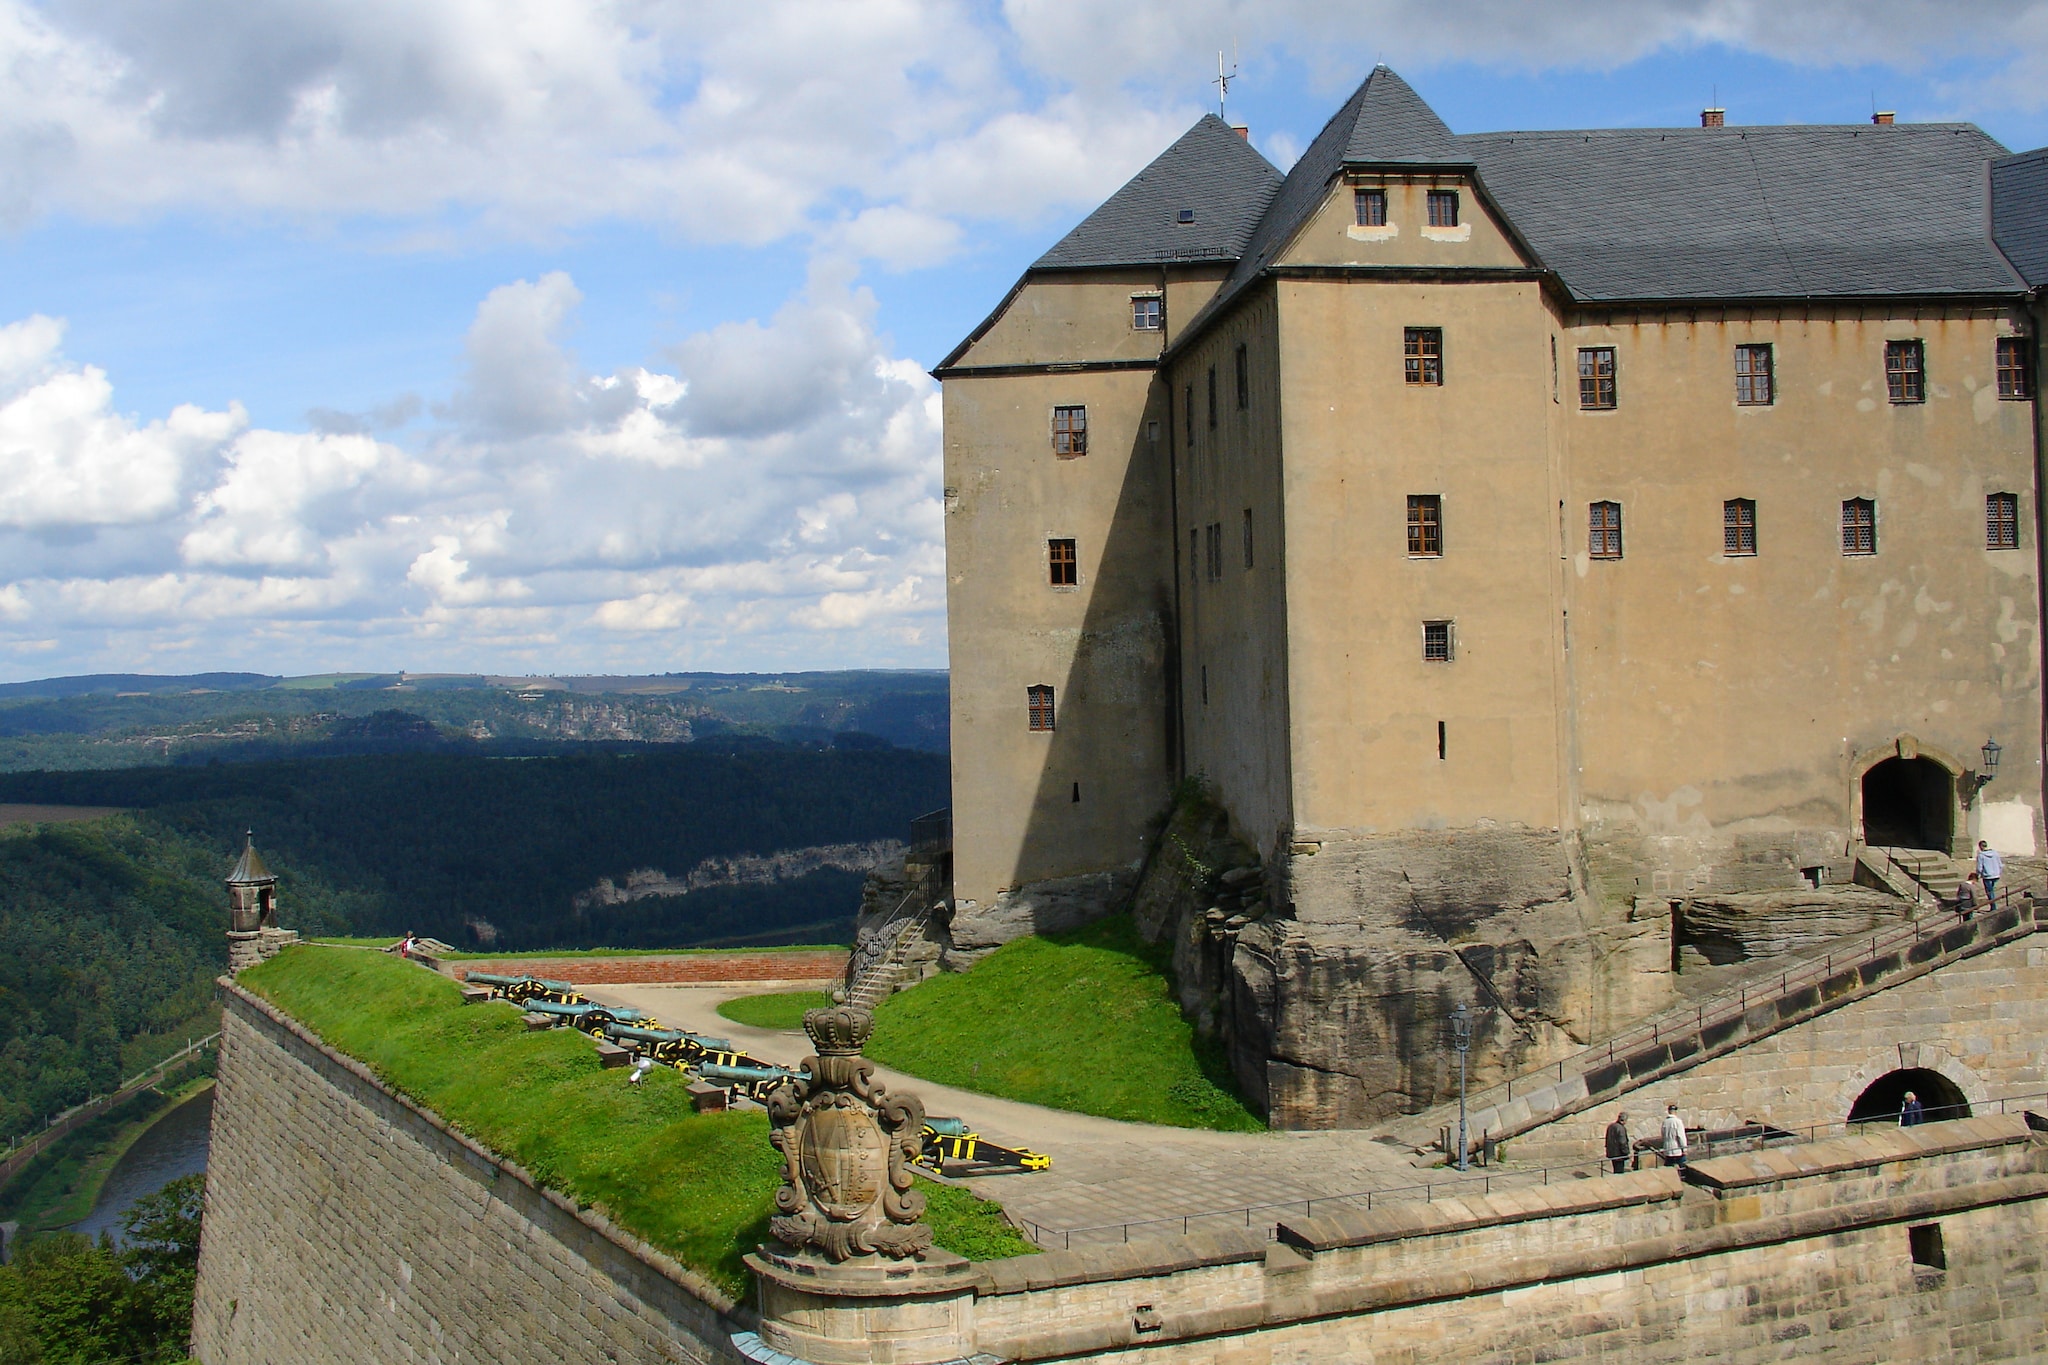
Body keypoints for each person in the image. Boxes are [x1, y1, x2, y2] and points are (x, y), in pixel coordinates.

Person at [1660, 1103, 1689, 1169]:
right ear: (1675, 1111)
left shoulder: (1665, 1122)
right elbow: (1681, 1136)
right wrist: (1684, 1149)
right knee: (1683, 1166)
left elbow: (1663, 1135)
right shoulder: (1678, 1122)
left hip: (1667, 1148)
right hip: (1677, 1148)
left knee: (1668, 1166)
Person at [1977, 840, 2004, 906]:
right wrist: (1999, 872)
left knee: (1989, 892)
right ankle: (1993, 905)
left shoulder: (1981, 855)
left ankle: (1993, 906)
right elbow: (2000, 864)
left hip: (1987, 876)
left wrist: (1978, 874)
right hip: (1996, 875)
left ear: (1980, 846)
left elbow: (1979, 867)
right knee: (1991, 890)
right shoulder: (1995, 853)